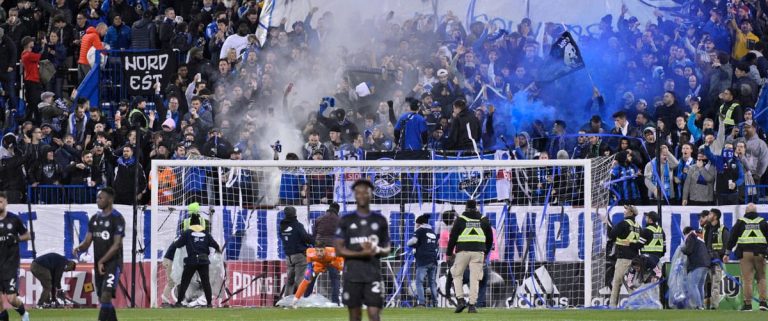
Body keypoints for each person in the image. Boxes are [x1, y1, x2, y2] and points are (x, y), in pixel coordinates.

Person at [335, 179, 391, 321]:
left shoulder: (380, 220)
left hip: (373, 275)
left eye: (365, 192)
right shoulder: (346, 220)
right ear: (354, 194)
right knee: (355, 316)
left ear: (371, 194)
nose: (362, 195)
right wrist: (361, 254)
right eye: (358, 192)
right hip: (352, 276)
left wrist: (376, 249)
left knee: (374, 315)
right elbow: (338, 250)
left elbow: (387, 248)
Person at [72, 187, 124, 321]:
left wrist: (102, 261)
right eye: (97, 198)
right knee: (103, 298)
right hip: (98, 264)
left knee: (106, 295)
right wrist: (79, 247)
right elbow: (88, 241)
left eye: (101, 198)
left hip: (113, 262)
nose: (98, 200)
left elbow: (117, 244)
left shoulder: (117, 218)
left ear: (110, 199)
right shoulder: (94, 218)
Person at [446, 199, 493, 313]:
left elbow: (452, 238)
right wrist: (485, 253)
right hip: (478, 252)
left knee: (457, 275)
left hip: (462, 252)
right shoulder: (484, 220)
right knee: (475, 279)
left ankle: (461, 300)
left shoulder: (460, 220)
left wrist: (448, 253)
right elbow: (490, 239)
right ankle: (472, 305)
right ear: (476, 207)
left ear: (466, 207)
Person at [724, 203, 768, 311]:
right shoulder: (763, 222)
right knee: (761, 278)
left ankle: (748, 305)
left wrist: (727, 253)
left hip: (745, 254)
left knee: (747, 280)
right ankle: (763, 303)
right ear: (756, 211)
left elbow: (732, 238)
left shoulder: (740, 222)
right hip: (760, 254)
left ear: (746, 212)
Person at [173, 223, 221, 308]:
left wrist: (176, 240)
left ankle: (179, 302)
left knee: (185, 282)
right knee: (206, 282)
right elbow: (215, 245)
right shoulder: (206, 233)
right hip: (204, 261)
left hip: (192, 260)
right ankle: (209, 303)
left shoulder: (187, 233)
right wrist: (218, 250)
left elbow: (178, 244)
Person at [0, 191, 32, 321]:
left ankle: (24, 314)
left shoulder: (14, 219)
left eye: (1, 201)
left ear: (6, 202)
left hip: (10, 264)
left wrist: (15, 239)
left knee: (11, 298)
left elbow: (28, 235)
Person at [607, 205, 641, 308]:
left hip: (623, 258)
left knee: (617, 282)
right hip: (635, 258)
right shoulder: (638, 226)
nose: (624, 211)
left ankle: (613, 306)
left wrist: (606, 224)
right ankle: (636, 303)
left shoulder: (623, 224)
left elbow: (611, 234)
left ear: (631, 213)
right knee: (629, 282)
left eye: (626, 209)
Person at [309, 202, 341, 304]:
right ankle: (335, 301)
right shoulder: (339, 221)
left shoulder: (319, 219)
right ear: (337, 210)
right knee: (334, 278)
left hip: (319, 251)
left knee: (312, 276)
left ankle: (306, 297)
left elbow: (313, 236)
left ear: (329, 208)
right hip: (331, 252)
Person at [280, 206, 313, 296]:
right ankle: (299, 300)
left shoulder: (282, 226)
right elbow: (305, 238)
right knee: (300, 279)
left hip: (288, 256)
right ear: (295, 214)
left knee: (290, 280)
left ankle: (286, 300)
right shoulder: (297, 225)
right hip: (299, 255)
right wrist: (313, 239)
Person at [407, 213, 439, 307]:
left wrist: (408, 244)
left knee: (419, 282)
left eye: (416, 223)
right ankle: (435, 303)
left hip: (423, 260)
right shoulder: (432, 232)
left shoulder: (420, 230)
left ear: (419, 223)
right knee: (432, 282)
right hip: (433, 259)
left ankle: (421, 303)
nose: (415, 225)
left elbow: (413, 241)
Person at [703, 208, 729, 310]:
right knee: (705, 284)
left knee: (715, 284)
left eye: (710, 214)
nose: (708, 216)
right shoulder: (706, 228)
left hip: (716, 261)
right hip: (706, 260)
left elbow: (727, 245)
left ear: (715, 217)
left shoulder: (723, 229)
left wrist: (718, 254)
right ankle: (705, 305)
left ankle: (714, 306)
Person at [681, 226, 711, 310]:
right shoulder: (699, 237)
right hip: (706, 264)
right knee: (700, 286)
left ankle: (698, 305)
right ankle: (701, 305)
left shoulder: (691, 236)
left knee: (692, 284)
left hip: (697, 264)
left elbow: (688, 250)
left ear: (686, 233)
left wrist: (682, 249)